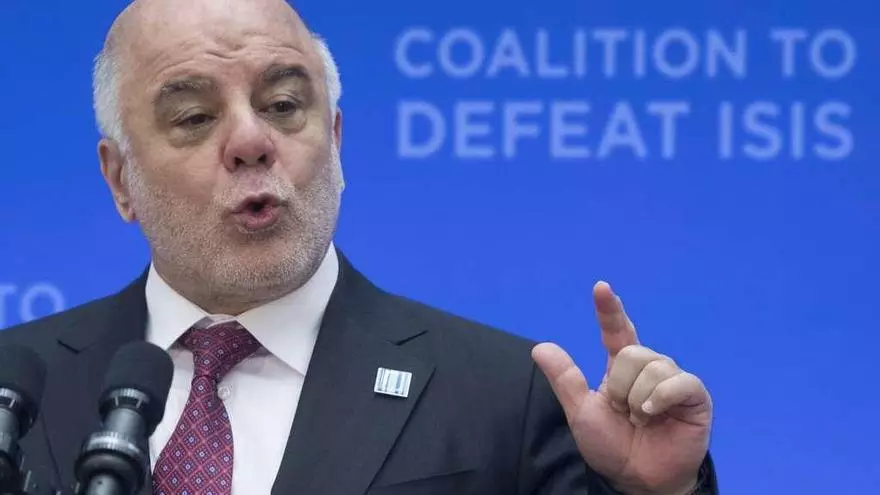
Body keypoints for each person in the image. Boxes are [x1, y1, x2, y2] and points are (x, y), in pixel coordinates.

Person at [0, 0, 718, 494]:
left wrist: (657, 493)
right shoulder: (13, 389)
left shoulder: (503, 396)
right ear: (120, 179)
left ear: (336, 141)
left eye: (284, 105)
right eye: (193, 116)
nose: (252, 140)